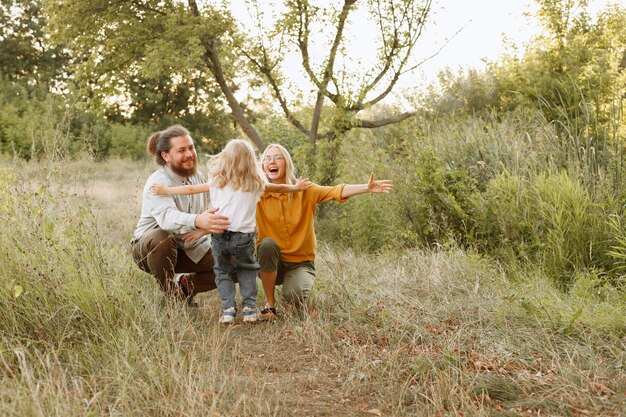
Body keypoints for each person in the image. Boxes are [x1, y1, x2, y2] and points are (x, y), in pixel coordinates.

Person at [151, 139, 312, 324]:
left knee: (222, 272)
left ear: (225, 158)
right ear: (251, 160)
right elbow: (280, 188)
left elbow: (190, 189)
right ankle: (249, 309)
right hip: (244, 238)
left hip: (220, 235)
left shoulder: (218, 181)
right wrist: (296, 187)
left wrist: (166, 190)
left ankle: (228, 310)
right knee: (247, 270)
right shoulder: (256, 182)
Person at [256, 143, 393, 320]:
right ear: (262, 166)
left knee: (293, 297)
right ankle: (269, 305)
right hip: (271, 261)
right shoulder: (256, 194)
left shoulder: (304, 190)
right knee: (267, 244)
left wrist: (366, 187)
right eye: (267, 158)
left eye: (277, 157)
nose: (271, 161)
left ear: (286, 163)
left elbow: (335, 191)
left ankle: (293, 291)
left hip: (300, 263)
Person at [130, 124, 231, 307]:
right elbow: (167, 219)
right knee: (162, 237)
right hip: (150, 250)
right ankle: (172, 298)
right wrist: (198, 220)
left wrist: (204, 228)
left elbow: (215, 206)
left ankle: (185, 287)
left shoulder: (198, 177)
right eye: (182, 150)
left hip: (190, 245)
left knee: (236, 264)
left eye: (191, 148)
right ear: (166, 156)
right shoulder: (158, 182)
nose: (190, 154)